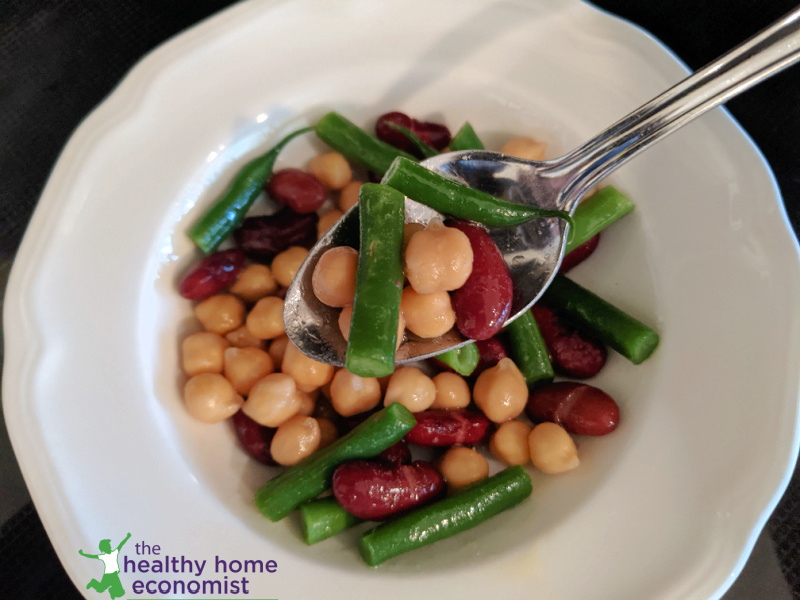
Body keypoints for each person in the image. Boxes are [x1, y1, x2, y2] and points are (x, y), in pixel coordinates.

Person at [78, 533, 131, 599]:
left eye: (109, 545)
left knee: (121, 592)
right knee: (100, 589)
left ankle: (112, 591)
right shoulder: (103, 556)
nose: (110, 546)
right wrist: (82, 554)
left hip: (114, 575)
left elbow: (121, 544)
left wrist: (127, 537)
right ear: (104, 548)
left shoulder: (114, 553)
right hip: (108, 576)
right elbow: (92, 556)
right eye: (108, 545)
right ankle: (93, 582)